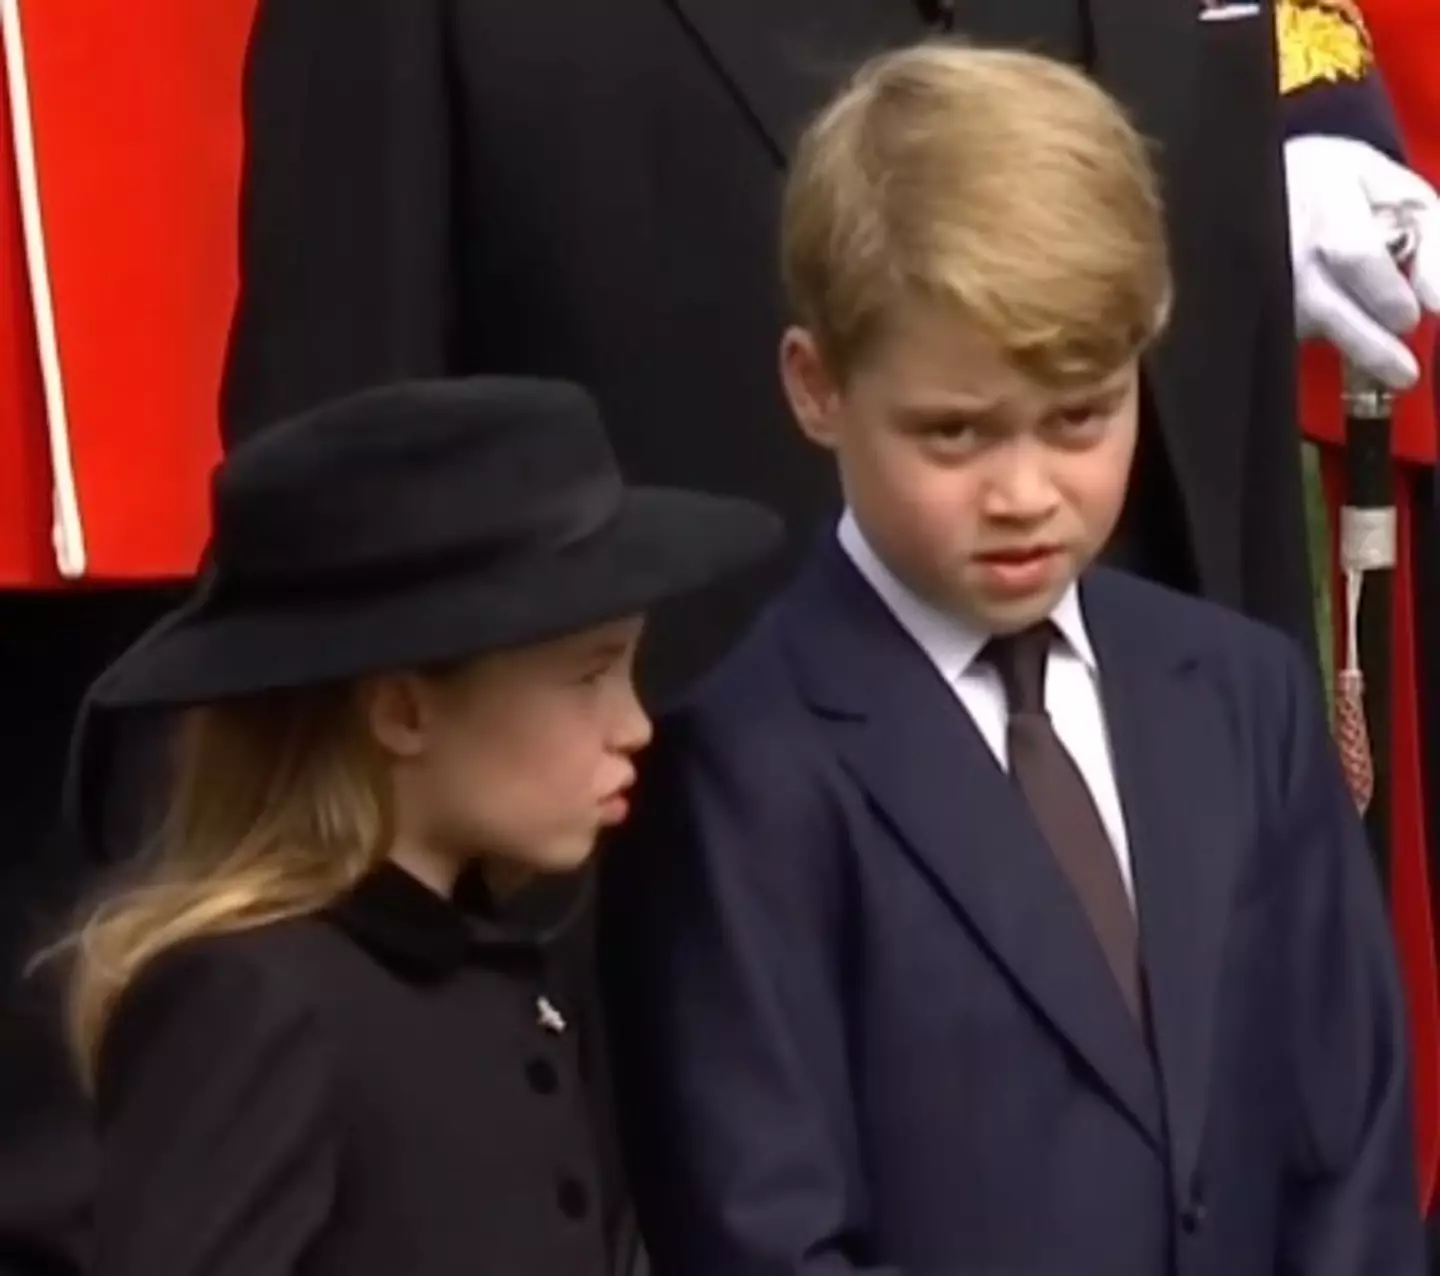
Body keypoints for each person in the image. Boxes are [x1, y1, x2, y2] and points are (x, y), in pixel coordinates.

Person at [600, 44, 1425, 1275]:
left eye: (1081, 417)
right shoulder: (744, 774)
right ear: (817, 387)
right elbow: (763, 1231)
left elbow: (1349, 1140)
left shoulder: (1244, 698)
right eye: (954, 433)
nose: (1025, 491)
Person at [54, 374, 780, 1276]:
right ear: (403, 711)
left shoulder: (516, 980)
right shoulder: (255, 1000)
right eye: (588, 675)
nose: (634, 724)